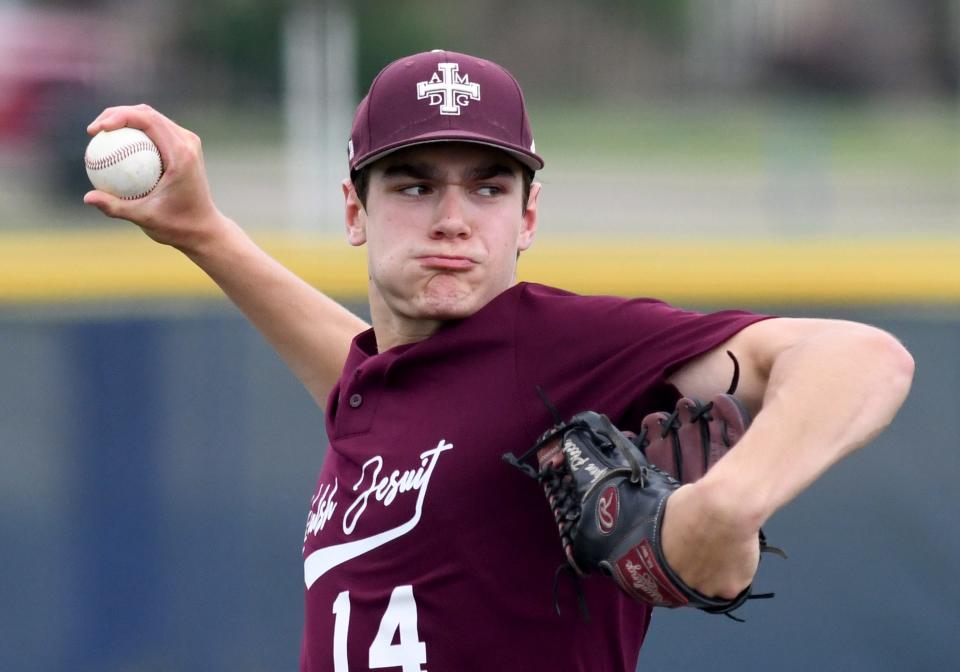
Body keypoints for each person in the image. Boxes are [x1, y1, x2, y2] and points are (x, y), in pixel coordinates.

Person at [84, 49, 914, 672]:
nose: (454, 218)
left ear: (527, 218)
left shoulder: (559, 347)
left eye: (488, 188)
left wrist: (728, 503)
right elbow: (355, 373)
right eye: (413, 186)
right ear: (355, 209)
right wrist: (203, 232)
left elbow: (860, 356)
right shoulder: (381, 388)